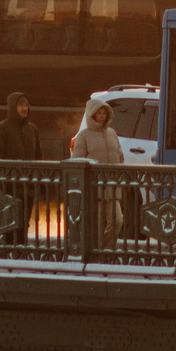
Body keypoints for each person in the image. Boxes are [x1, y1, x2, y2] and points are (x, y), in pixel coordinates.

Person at [73, 100, 129, 246]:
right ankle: (97, 253)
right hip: (93, 188)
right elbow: (77, 163)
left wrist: (120, 178)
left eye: (104, 113)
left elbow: (120, 157)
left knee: (117, 221)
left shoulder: (112, 133)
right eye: (99, 113)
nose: (102, 116)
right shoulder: (83, 136)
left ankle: (106, 250)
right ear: (92, 115)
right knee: (96, 225)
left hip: (112, 185)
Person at [0, 91, 41, 161]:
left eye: (26, 105)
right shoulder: (1, 128)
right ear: (13, 107)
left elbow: (39, 156)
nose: (24, 108)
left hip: (30, 171)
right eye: (20, 105)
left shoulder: (32, 129)